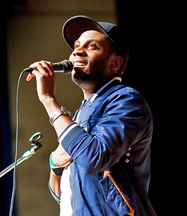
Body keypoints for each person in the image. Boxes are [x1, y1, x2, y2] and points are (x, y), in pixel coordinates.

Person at [26, 15, 156, 216]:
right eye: (76, 46)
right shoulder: (81, 113)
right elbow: (64, 195)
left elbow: (94, 158)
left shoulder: (126, 100)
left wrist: (48, 99)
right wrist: (54, 165)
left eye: (92, 46)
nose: (77, 51)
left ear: (115, 63)